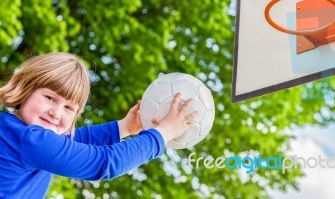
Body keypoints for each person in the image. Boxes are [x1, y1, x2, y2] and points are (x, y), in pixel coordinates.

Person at [0, 52, 197, 198]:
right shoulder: (30, 140)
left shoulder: (14, 129)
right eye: (50, 98)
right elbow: (104, 162)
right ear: (26, 89)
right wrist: (162, 134)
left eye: (69, 108)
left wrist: (126, 126)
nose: (56, 112)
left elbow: (78, 139)